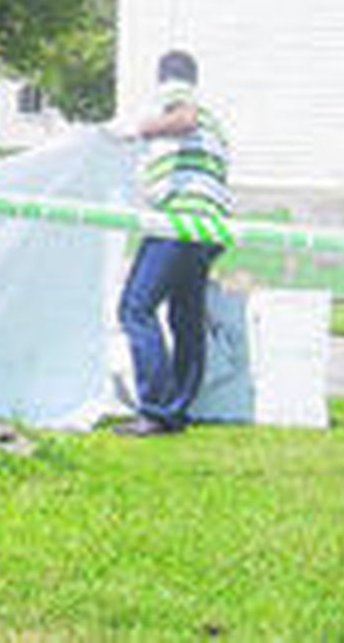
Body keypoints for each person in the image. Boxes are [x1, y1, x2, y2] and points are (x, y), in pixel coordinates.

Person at [112, 49, 233, 437]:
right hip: (210, 227)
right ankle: (178, 409)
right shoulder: (216, 126)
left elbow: (183, 119)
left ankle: (156, 409)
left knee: (135, 308)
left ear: (165, 77)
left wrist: (137, 129)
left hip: (180, 220)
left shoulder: (175, 97)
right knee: (185, 316)